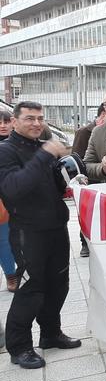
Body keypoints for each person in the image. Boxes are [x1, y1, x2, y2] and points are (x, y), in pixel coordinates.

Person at [0, 101, 82, 369]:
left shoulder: (41, 149)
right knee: (31, 289)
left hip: (56, 227)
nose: (36, 123)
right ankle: (19, 347)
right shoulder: (5, 151)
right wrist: (46, 155)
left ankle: (50, 333)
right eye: (29, 118)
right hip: (27, 231)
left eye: (40, 118)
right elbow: (14, 188)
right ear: (14, 121)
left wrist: (72, 175)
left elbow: (51, 185)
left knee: (59, 284)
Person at [71, 104, 106, 257]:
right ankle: (84, 242)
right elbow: (77, 157)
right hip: (91, 180)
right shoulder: (84, 132)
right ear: (103, 114)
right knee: (88, 214)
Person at [0, 108, 17, 291]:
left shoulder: (20, 142)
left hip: (19, 196)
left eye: (6, 122)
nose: (3, 126)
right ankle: (10, 275)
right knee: (3, 239)